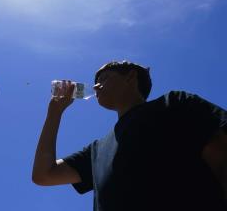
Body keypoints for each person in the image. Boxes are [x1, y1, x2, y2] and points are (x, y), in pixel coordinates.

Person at [32, 61, 227, 211]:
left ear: (130, 77)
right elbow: (44, 174)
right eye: (96, 83)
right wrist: (55, 112)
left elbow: (220, 149)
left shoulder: (173, 103)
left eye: (104, 79)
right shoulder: (97, 150)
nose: (97, 87)